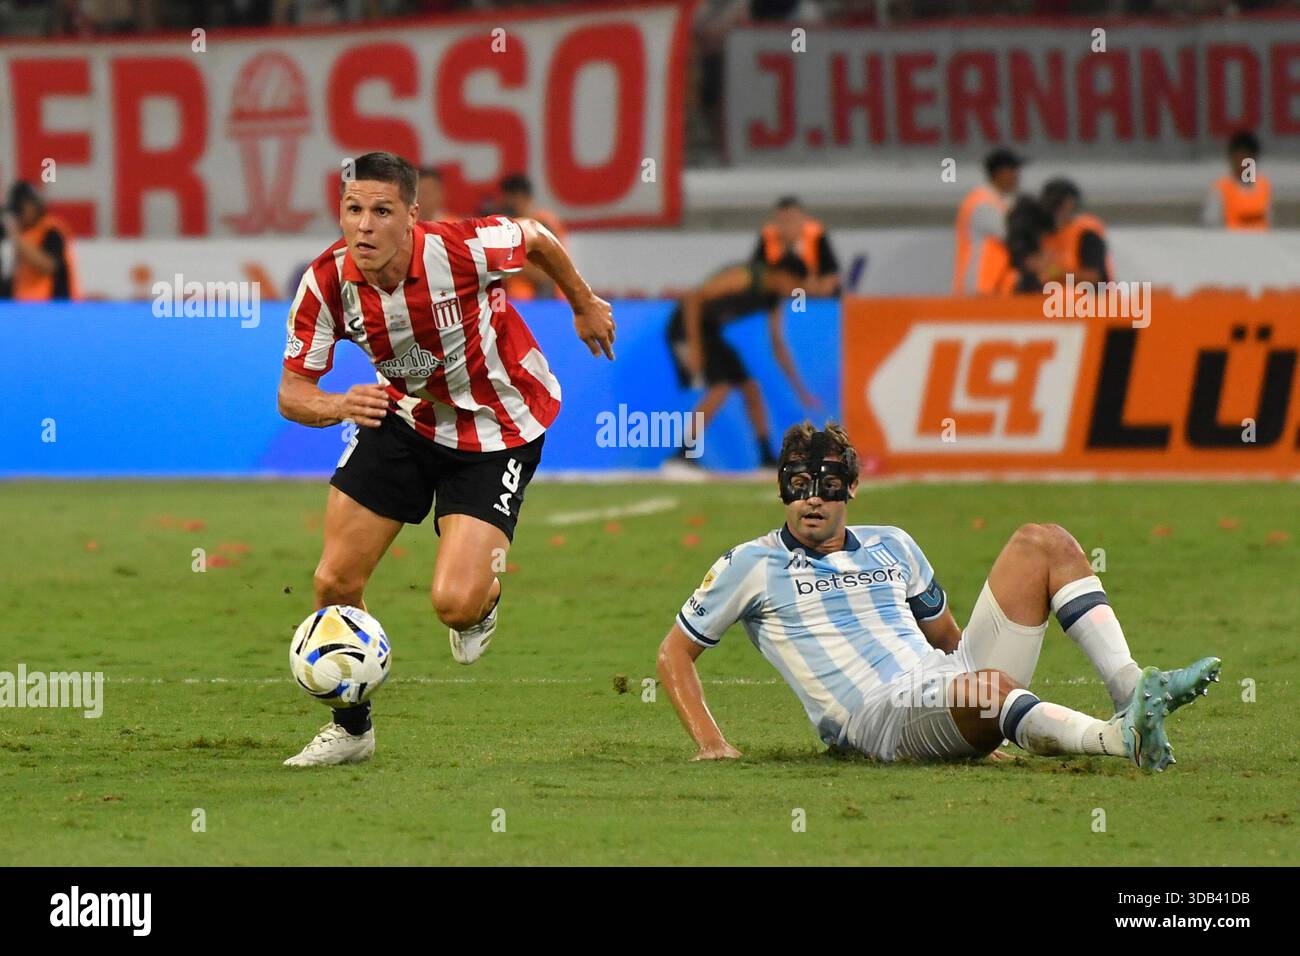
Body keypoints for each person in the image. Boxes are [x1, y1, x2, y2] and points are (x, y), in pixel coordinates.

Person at [277, 151, 615, 766]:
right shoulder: (325, 283)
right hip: (402, 421)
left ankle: (480, 604)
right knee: (333, 580)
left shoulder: (462, 249)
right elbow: (291, 393)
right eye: (354, 210)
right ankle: (352, 729)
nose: (364, 226)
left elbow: (536, 238)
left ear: (412, 215)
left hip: (498, 429)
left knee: (453, 602)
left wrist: (583, 302)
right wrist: (337, 405)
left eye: (382, 211)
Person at [657, 421, 1220, 768]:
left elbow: (949, 639)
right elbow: (674, 652)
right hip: (875, 717)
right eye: (797, 487)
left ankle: (1131, 691)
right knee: (989, 690)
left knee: (1043, 542)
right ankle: (1117, 741)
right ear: (781, 487)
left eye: (827, 488)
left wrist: (972, 721)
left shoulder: (893, 544)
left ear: (851, 487)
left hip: (942, 682)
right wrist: (711, 742)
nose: (811, 502)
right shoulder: (750, 563)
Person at [666, 254, 817, 469]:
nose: (795, 290)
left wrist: (801, 391)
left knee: (750, 388)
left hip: (711, 332)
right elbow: (693, 298)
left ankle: (766, 458)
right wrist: (695, 346)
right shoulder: (746, 277)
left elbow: (778, 346)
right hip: (685, 329)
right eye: (796, 284)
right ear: (783, 275)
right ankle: (682, 454)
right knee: (721, 387)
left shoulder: (774, 298)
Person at [952, 149, 1021, 295]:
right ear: (1000, 173)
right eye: (1013, 171)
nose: (1017, 176)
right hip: (978, 287)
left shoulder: (1001, 201)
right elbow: (1012, 237)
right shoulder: (983, 204)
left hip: (994, 287)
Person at [2, 181, 79, 301]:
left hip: (53, 308)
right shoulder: (26, 234)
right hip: (27, 308)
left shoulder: (51, 231)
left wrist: (16, 237)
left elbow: (48, 266)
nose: (18, 215)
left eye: (19, 209)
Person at [751, 196, 840, 296]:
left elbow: (831, 274)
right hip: (777, 296)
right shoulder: (767, 237)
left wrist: (817, 288)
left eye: (792, 220)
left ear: (803, 220)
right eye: (782, 221)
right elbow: (755, 274)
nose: (788, 227)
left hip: (812, 294)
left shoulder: (816, 235)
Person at [499, 173, 568, 300]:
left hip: (544, 304)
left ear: (523, 197)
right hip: (517, 303)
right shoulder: (509, 228)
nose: (506, 205)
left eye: (511, 199)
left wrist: (507, 264)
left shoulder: (541, 225)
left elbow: (547, 275)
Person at [1039, 178, 1111, 285]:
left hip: (1086, 299)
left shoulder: (1086, 235)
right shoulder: (1042, 235)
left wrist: (1057, 274)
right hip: (1046, 299)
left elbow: (1094, 277)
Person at [1203, 130, 1271, 230]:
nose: (1241, 163)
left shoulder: (1264, 186)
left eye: (1246, 157)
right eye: (1238, 157)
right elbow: (1211, 225)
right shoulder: (1219, 189)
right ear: (1231, 158)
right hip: (1231, 243)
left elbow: (1268, 220)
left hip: (1260, 243)